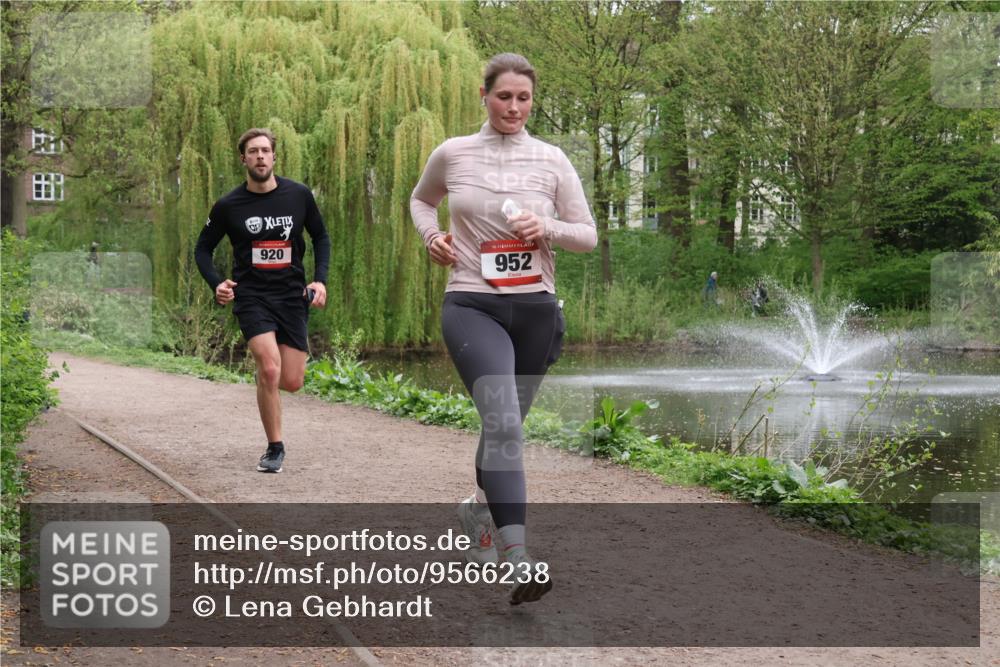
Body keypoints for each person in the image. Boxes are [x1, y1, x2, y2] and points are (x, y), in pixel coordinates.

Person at [410, 53, 597, 605]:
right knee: (504, 418)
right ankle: (518, 557)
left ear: (532, 101)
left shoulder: (552, 159)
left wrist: (548, 226)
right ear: (485, 97)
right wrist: (430, 238)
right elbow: (422, 201)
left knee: (502, 428)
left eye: (523, 98)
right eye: (503, 97)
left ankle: (476, 508)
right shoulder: (453, 153)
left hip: (536, 308)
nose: (513, 107)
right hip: (473, 303)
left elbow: (586, 235)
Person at [195, 128, 330, 474]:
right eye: (252, 151)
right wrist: (217, 284)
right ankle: (275, 448)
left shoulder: (299, 195)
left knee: (292, 381)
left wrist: (320, 280)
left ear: (273, 157)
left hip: (291, 296)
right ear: (243, 159)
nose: (259, 156)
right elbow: (203, 249)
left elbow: (320, 236)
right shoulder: (229, 205)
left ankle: (265, 382)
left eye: (265, 151)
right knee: (270, 368)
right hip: (252, 296)